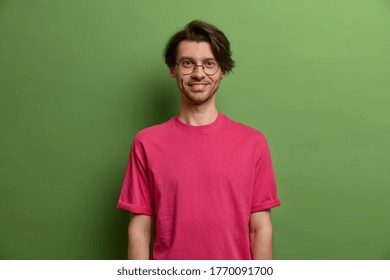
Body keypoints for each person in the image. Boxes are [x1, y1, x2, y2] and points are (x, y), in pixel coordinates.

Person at [117, 20, 280, 260]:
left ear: (222, 71)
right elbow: (140, 230)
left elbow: (260, 229)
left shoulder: (253, 142)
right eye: (187, 63)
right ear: (173, 69)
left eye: (209, 64)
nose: (198, 73)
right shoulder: (146, 143)